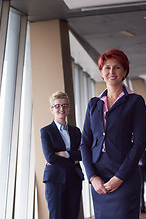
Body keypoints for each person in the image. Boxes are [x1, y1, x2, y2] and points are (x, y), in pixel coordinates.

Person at [80, 49, 146, 219]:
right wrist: (92, 177)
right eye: (107, 68)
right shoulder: (94, 104)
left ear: (124, 72)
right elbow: (85, 142)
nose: (111, 72)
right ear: (101, 72)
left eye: (117, 67)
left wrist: (119, 177)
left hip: (124, 174)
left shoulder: (135, 101)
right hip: (99, 176)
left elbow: (139, 143)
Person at [40, 91, 84, 219]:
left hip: (74, 178)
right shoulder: (46, 131)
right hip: (55, 180)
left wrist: (64, 154)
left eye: (64, 105)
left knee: (72, 215)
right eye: (57, 106)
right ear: (52, 109)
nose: (61, 109)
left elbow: (82, 155)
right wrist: (72, 157)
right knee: (56, 216)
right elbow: (50, 157)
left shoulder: (76, 131)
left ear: (68, 108)